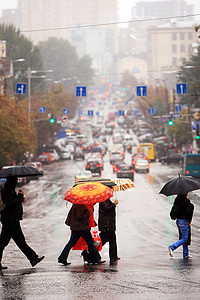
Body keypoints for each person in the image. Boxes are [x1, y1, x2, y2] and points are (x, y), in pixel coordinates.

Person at [0, 176, 45, 270]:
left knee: (16, 241)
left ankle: (33, 258)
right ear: (12, 181)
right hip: (10, 220)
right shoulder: (7, 190)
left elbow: (12, 202)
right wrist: (19, 196)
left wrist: (19, 197)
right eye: (15, 180)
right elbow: (10, 203)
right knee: (8, 242)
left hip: (12, 219)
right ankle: (33, 258)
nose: (17, 182)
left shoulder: (10, 190)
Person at [168, 194, 194, 258]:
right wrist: (189, 221)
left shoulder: (177, 200)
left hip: (178, 221)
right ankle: (172, 247)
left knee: (183, 237)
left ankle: (186, 253)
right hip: (184, 221)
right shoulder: (186, 201)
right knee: (185, 238)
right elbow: (189, 211)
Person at [98, 198, 120, 262]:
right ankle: (90, 252)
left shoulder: (106, 198)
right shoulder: (104, 198)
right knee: (103, 240)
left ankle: (113, 256)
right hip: (106, 224)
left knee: (112, 240)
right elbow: (107, 208)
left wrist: (113, 204)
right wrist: (114, 204)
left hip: (109, 224)